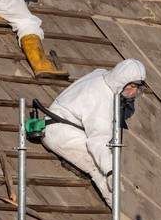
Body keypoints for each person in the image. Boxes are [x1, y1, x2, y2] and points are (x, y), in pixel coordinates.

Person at [41, 59, 146, 207]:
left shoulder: (102, 75)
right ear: (121, 81)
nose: (132, 92)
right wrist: (110, 171)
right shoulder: (101, 99)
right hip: (62, 133)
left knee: (106, 158)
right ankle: (120, 211)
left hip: (61, 124)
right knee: (99, 168)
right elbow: (98, 140)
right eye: (131, 86)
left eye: (137, 88)